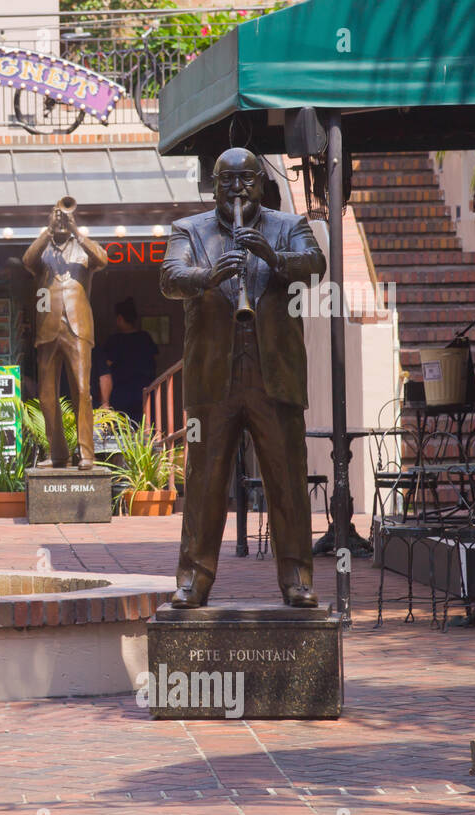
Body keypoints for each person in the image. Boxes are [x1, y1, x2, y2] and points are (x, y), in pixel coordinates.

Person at [160, 147, 325, 609]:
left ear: (260, 183)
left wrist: (273, 258)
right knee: (204, 482)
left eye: (245, 180)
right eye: (226, 181)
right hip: (214, 378)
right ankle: (193, 580)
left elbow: (315, 265)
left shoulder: (288, 226)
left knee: (286, 481)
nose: (236, 189)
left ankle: (296, 577)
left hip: (276, 376)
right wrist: (208, 277)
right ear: (214, 185)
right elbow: (170, 277)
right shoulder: (189, 229)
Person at [22, 197, 108, 469]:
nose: (60, 221)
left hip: (77, 328)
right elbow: (27, 260)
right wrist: (47, 230)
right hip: (48, 329)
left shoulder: (83, 249)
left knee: (82, 390)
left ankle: (86, 454)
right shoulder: (43, 252)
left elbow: (102, 259)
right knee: (47, 395)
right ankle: (58, 454)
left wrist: (76, 230)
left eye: (63, 217)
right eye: (56, 216)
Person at [104, 297, 158, 422]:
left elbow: (106, 366)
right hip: (145, 391)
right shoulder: (145, 338)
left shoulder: (114, 341)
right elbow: (154, 360)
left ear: (120, 318)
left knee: (121, 432)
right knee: (146, 429)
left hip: (121, 394)